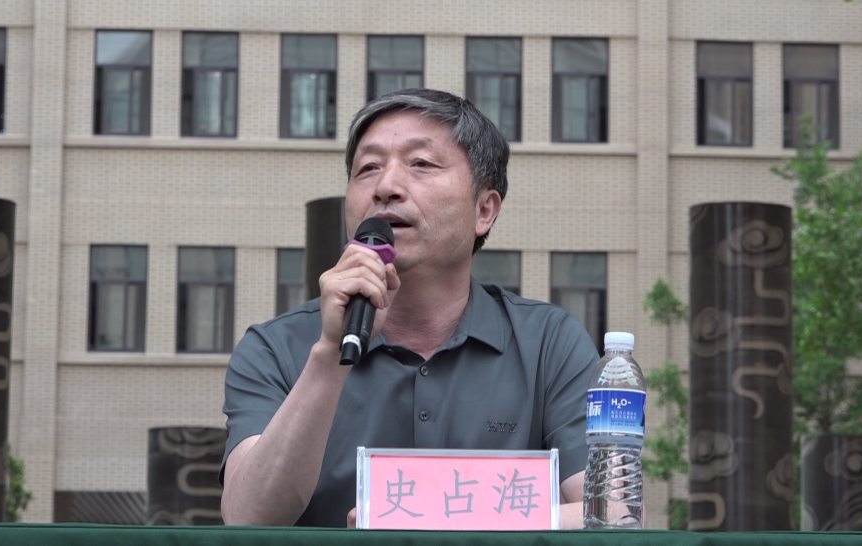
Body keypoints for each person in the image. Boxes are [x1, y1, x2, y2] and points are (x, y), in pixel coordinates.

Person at [220, 88, 597, 528]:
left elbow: (612, 512)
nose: (386, 187)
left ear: (484, 210)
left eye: (421, 164)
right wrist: (329, 355)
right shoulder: (274, 348)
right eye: (368, 168)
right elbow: (247, 519)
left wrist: (426, 517)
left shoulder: (550, 343)